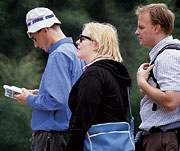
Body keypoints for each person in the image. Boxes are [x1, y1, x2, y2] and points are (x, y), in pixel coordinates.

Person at [14, 7, 85, 151]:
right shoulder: (75, 52)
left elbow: (57, 100)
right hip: (70, 135)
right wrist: (42, 93)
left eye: (35, 38)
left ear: (45, 30)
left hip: (53, 139)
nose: (35, 44)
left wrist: (28, 98)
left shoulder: (58, 55)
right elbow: (70, 94)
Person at [65, 22, 132, 151]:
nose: (77, 42)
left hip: (94, 145)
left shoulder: (94, 74)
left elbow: (83, 117)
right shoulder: (116, 72)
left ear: (96, 45)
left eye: (82, 39)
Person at [135, 3, 180, 151]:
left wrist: (142, 83)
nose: (136, 32)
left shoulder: (167, 56)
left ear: (156, 28)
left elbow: (171, 101)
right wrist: (150, 89)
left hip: (164, 138)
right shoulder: (168, 53)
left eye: (141, 27)